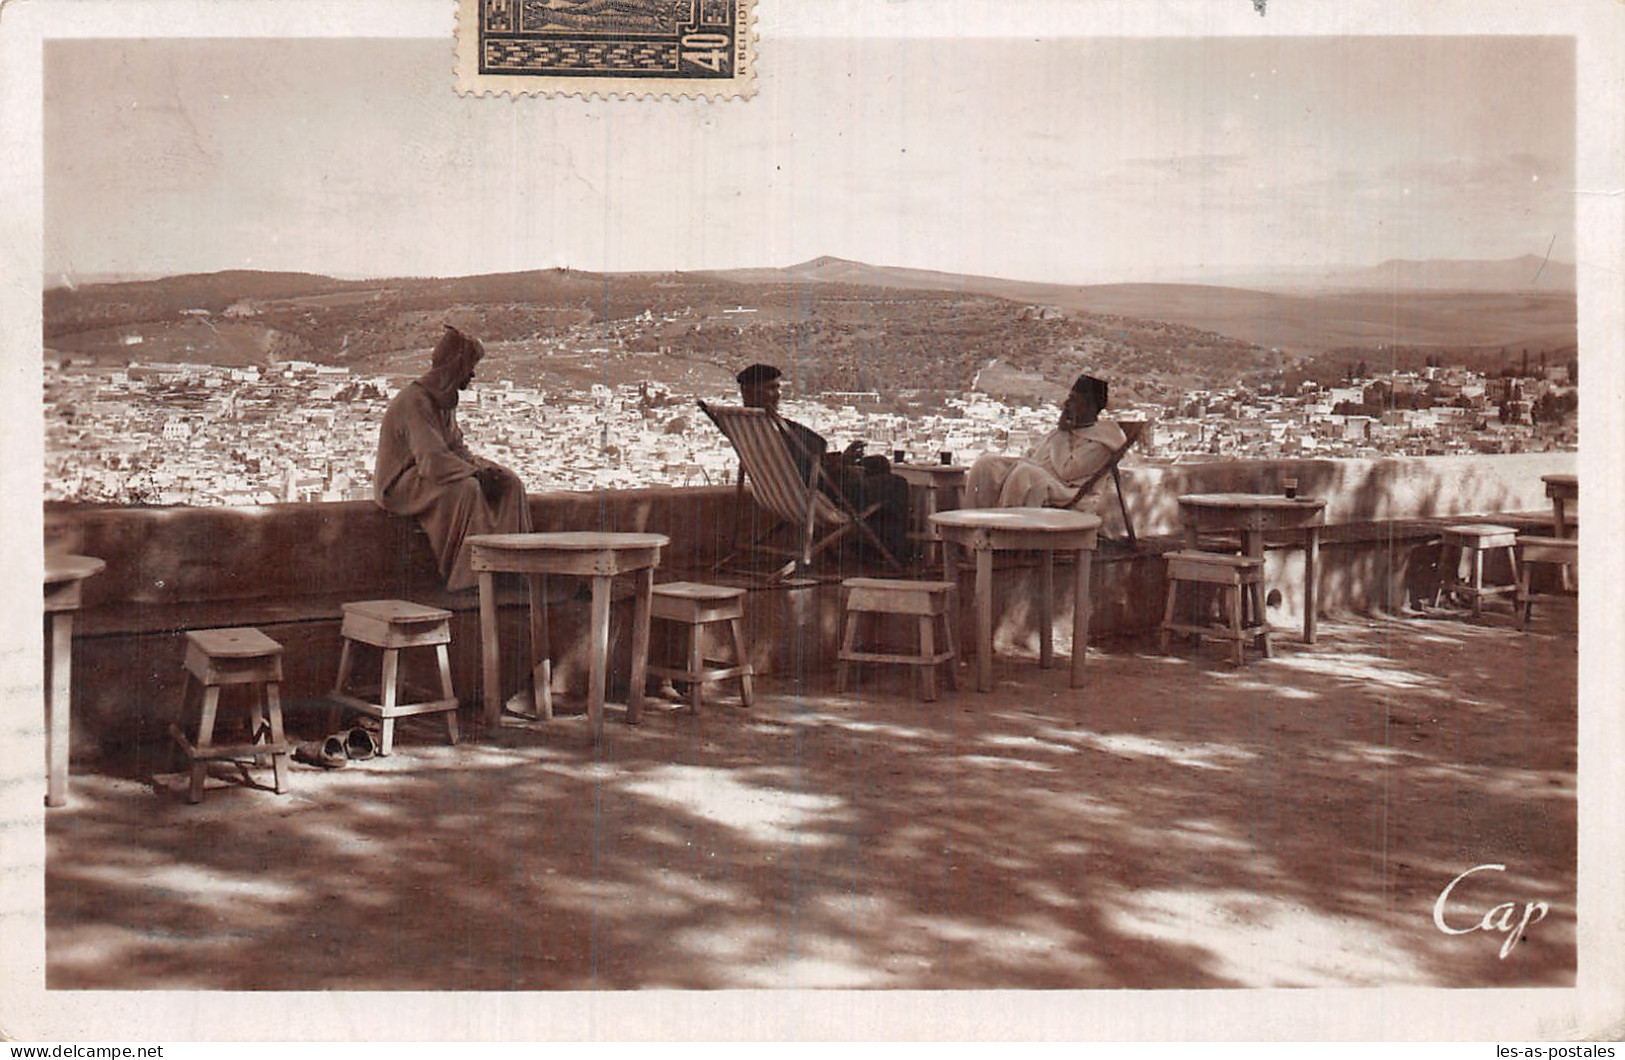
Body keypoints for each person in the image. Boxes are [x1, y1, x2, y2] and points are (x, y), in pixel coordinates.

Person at [374, 325, 532, 591]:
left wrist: (484, 468)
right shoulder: (415, 401)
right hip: (401, 483)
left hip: (429, 474)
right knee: (467, 489)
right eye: (469, 367)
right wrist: (474, 473)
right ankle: (468, 578)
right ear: (454, 367)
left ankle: (509, 569)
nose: (472, 374)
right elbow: (432, 460)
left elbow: (455, 448)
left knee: (510, 483)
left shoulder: (443, 400)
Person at [735, 363, 912, 565]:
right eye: (770, 388)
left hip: (781, 493)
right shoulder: (776, 428)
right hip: (820, 495)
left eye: (777, 388)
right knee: (896, 484)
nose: (777, 394)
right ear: (749, 391)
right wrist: (843, 462)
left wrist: (841, 461)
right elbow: (808, 467)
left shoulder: (747, 426)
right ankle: (889, 552)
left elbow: (798, 462)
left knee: (878, 463)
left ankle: (872, 546)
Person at [965, 373, 1128, 513]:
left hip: (1064, 489)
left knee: (1025, 474)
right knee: (986, 464)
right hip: (1036, 471)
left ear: (1090, 406)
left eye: (1074, 400)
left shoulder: (1102, 442)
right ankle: (977, 527)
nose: (1066, 404)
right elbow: (1034, 453)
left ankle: (1006, 536)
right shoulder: (1071, 428)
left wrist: (1063, 433)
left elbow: (1067, 472)